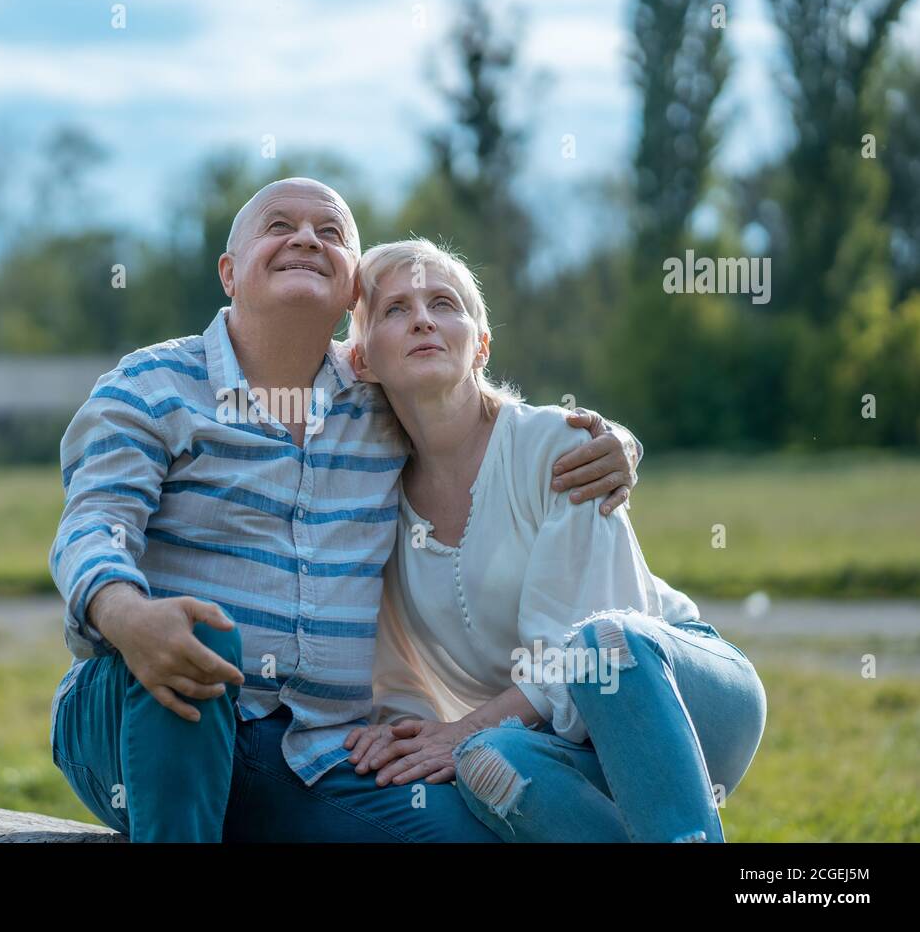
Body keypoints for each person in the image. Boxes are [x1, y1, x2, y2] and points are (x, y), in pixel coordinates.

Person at [49, 178, 640, 841]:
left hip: (310, 752)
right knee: (199, 644)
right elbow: (94, 525)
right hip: (141, 712)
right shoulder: (151, 386)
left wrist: (613, 440)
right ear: (228, 273)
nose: (306, 238)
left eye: (330, 233)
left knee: (460, 836)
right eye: (279, 226)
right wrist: (127, 615)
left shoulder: (380, 399)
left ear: (351, 287)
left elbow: (475, 411)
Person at [344, 238, 767, 842]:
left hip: (677, 699)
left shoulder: (559, 447)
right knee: (485, 763)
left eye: (444, 303)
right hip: (557, 742)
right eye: (394, 309)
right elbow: (404, 684)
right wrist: (407, 734)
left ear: (481, 345)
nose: (422, 318)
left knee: (602, 644)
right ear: (361, 359)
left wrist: (461, 727)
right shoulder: (373, 497)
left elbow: (580, 649)